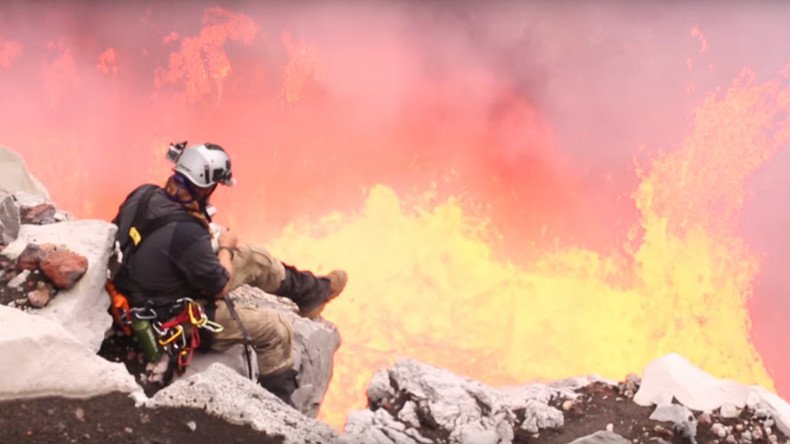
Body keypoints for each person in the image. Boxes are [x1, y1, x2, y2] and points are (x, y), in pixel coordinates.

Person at [109, 142, 346, 404]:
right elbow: (219, 286)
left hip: (138, 290)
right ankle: (279, 409)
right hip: (171, 319)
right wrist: (224, 247)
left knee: (255, 257)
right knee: (276, 330)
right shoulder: (187, 232)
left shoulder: (145, 194)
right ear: (205, 186)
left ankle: (312, 293)